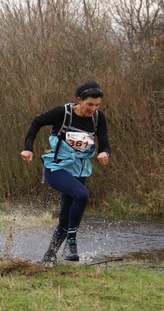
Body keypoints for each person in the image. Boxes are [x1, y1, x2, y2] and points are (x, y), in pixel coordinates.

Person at [21, 81, 110, 265]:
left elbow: (104, 141)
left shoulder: (98, 118)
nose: (93, 108)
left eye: (97, 105)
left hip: (79, 169)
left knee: (66, 216)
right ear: (79, 100)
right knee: (82, 194)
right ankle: (71, 242)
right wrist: (28, 148)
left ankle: (50, 255)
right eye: (90, 104)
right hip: (57, 167)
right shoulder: (62, 113)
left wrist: (104, 153)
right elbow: (36, 122)